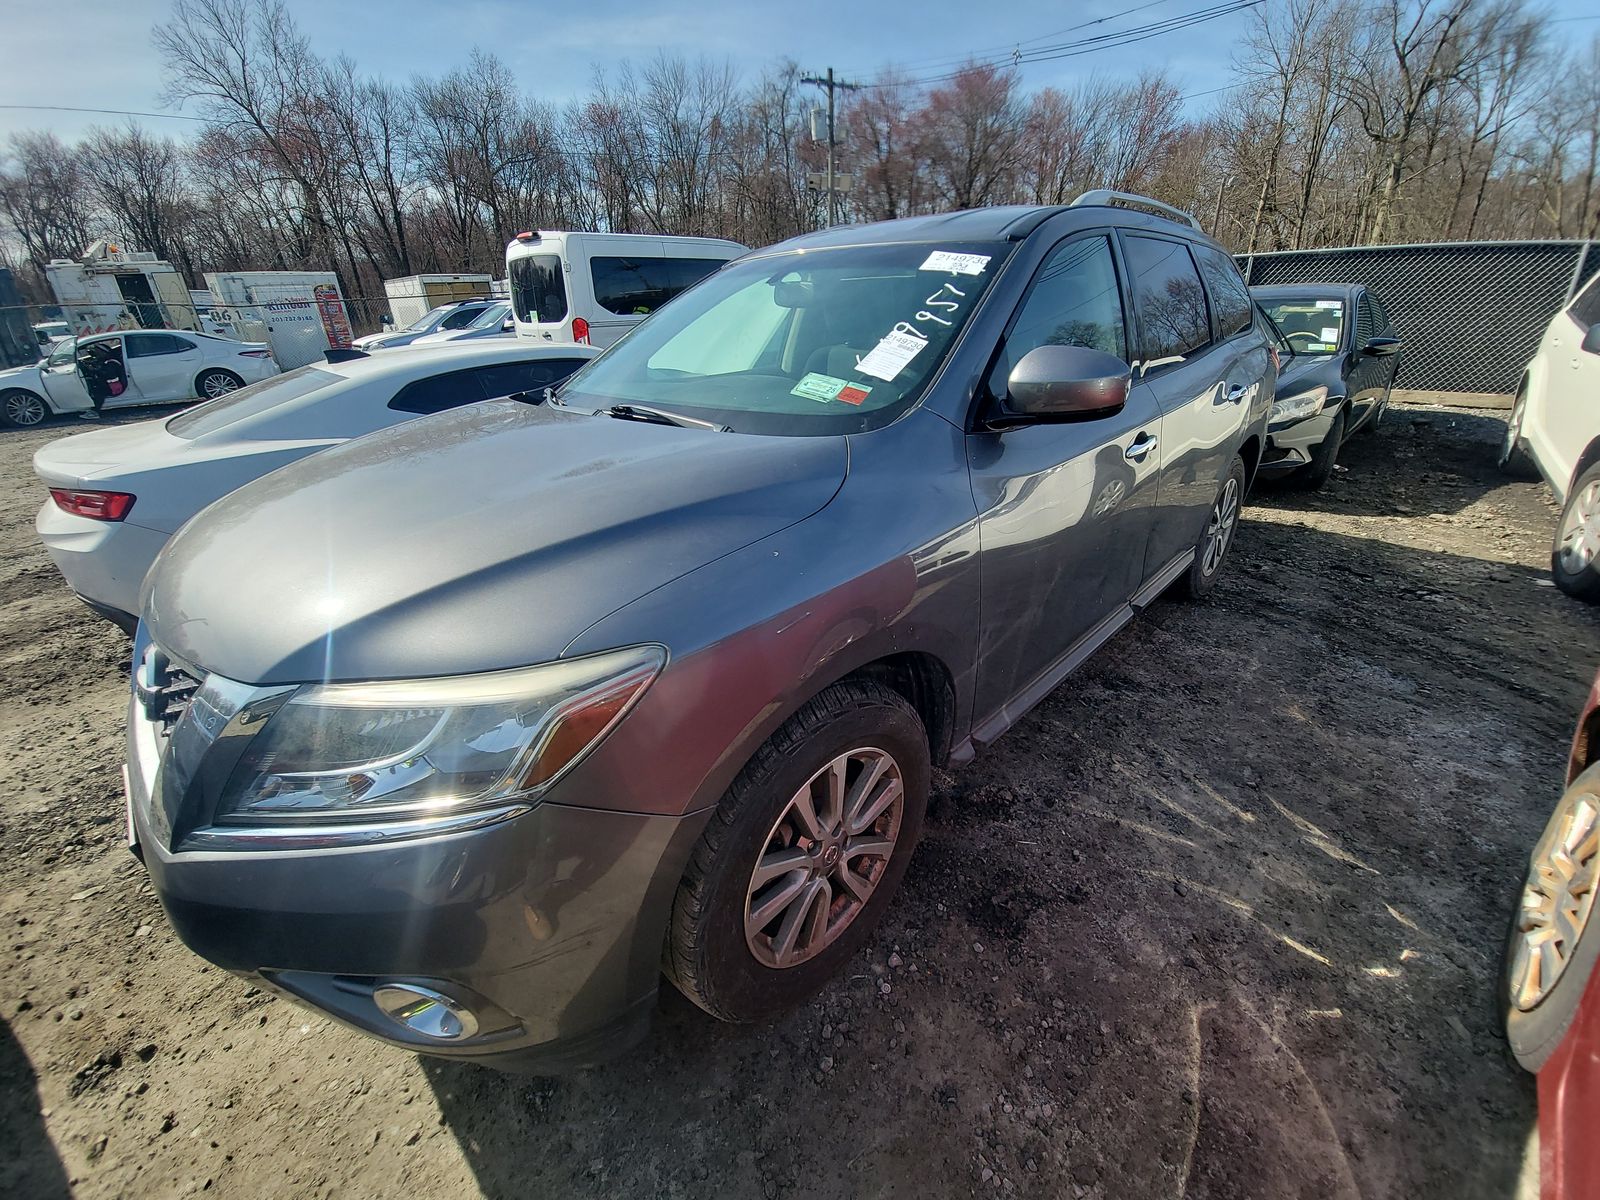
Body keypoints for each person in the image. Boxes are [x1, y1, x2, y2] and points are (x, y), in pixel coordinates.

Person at [76, 338, 127, 420]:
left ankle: (95, 412)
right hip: (112, 385)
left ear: (104, 353)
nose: (96, 355)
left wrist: (94, 370)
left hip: (115, 387)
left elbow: (109, 376)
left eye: (98, 352)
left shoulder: (111, 363)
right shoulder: (107, 362)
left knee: (98, 392)